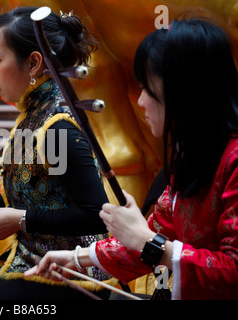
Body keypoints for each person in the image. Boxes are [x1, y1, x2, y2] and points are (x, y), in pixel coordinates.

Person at [25, 17, 238, 300]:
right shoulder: (192, 155)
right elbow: (147, 240)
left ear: (184, 92)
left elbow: (233, 273)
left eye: (148, 89)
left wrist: (148, 242)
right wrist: (74, 258)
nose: (140, 101)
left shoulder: (233, 159)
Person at [0, 7, 113, 300]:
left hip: (73, 279)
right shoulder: (35, 114)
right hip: (35, 263)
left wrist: (21, 219)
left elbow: (95, 215)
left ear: (34, 63)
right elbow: (49, 193)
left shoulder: (57, 125)